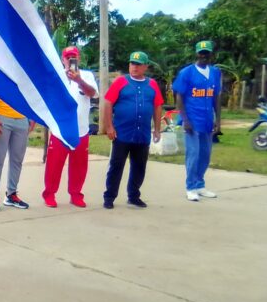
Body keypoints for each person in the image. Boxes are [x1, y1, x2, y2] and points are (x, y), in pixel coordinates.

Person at [102, 51, 163, 209]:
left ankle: (134, 195)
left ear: (145, 66)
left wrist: (157, 129)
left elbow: (157, 106)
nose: (134, 67)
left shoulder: (152, 84)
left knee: (139, 167)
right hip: (122, 133)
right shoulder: (121, 82)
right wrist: (109, 126)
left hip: (142, 135)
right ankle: (109, 196)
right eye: (132, 63)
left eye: (138, 64)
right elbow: (108, 103)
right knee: (116, 166)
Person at [41, 46, 97, 208]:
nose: (70, 59)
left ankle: (76, 194)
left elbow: (92, 93)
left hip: (81, 129)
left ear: (78, 58)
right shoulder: (55, 76)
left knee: (79, 165)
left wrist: (79, 80)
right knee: (54, 165)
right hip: (60, 130)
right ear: (62, 59)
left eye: (73, 57)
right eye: (67, 57)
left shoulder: (87, 75)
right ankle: (49, 194)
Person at [173, 40, 222, 201]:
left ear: (210, 55)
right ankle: (191, 187)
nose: (204, 56)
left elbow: (216, 97)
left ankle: (200, 184)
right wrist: (185, 119)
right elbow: (179, 96)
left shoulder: (215, 72)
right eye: (201, 53)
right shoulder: (186, 72)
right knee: (193, 154)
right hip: (192, 120)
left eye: (206, 53)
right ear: (196, 54)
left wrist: (218, 120)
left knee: (205, 154)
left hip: (208, 120)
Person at [0, 93, 34, 211]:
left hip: (22, 118)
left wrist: (33, 119)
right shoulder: (3, 73)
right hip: (3, 116)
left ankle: (11, 194)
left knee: (17, 160)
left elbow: (33, 92)